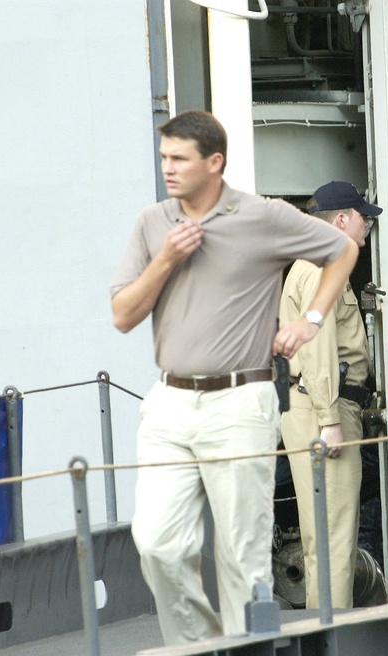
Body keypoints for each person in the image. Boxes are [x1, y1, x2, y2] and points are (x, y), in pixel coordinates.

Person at [109, 110, 358, 645]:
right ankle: (201, 646)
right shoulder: (153, 224)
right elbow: (123, 315)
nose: (168, 169)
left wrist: (310, 320)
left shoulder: (262, 216)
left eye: (179, 159)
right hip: (169, 402)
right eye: (164, 158)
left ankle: (243, 647)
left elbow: (344, 250)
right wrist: (166, 260)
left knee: (242, 558)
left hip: (242, 400)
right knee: (155, 543)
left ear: (214, 163)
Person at [278, 180, 380, 610]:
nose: (367, 227)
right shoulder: (324, 266)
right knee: (334, 537)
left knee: (322, 535)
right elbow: (317, 350)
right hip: (324, 406)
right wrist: (330, 421)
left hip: (311, 405)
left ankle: (326, 634)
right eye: (362, 218)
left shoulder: (312, 263)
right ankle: (337, 639)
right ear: (341, 220)